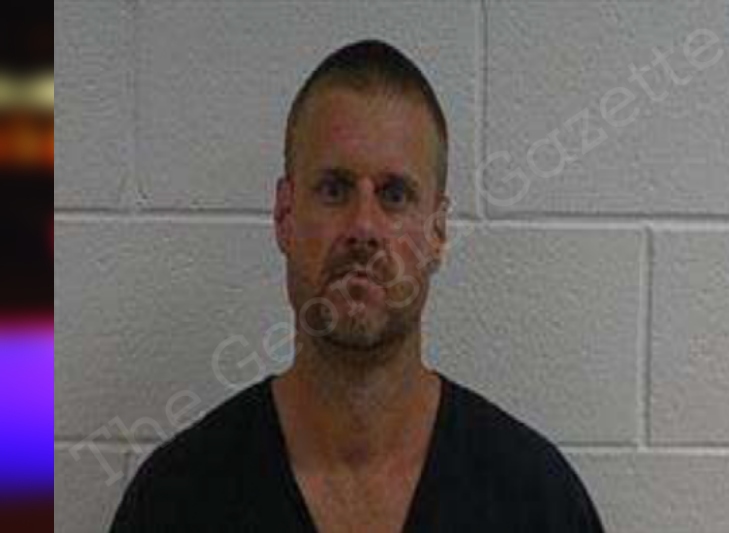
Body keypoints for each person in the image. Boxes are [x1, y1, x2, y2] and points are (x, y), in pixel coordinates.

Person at [110, 39, 605, 532]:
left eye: (395, 195)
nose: (363, 227)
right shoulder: (175, 500)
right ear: (285, 215)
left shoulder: (538, 503)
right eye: (334, 189)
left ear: (437, 232)